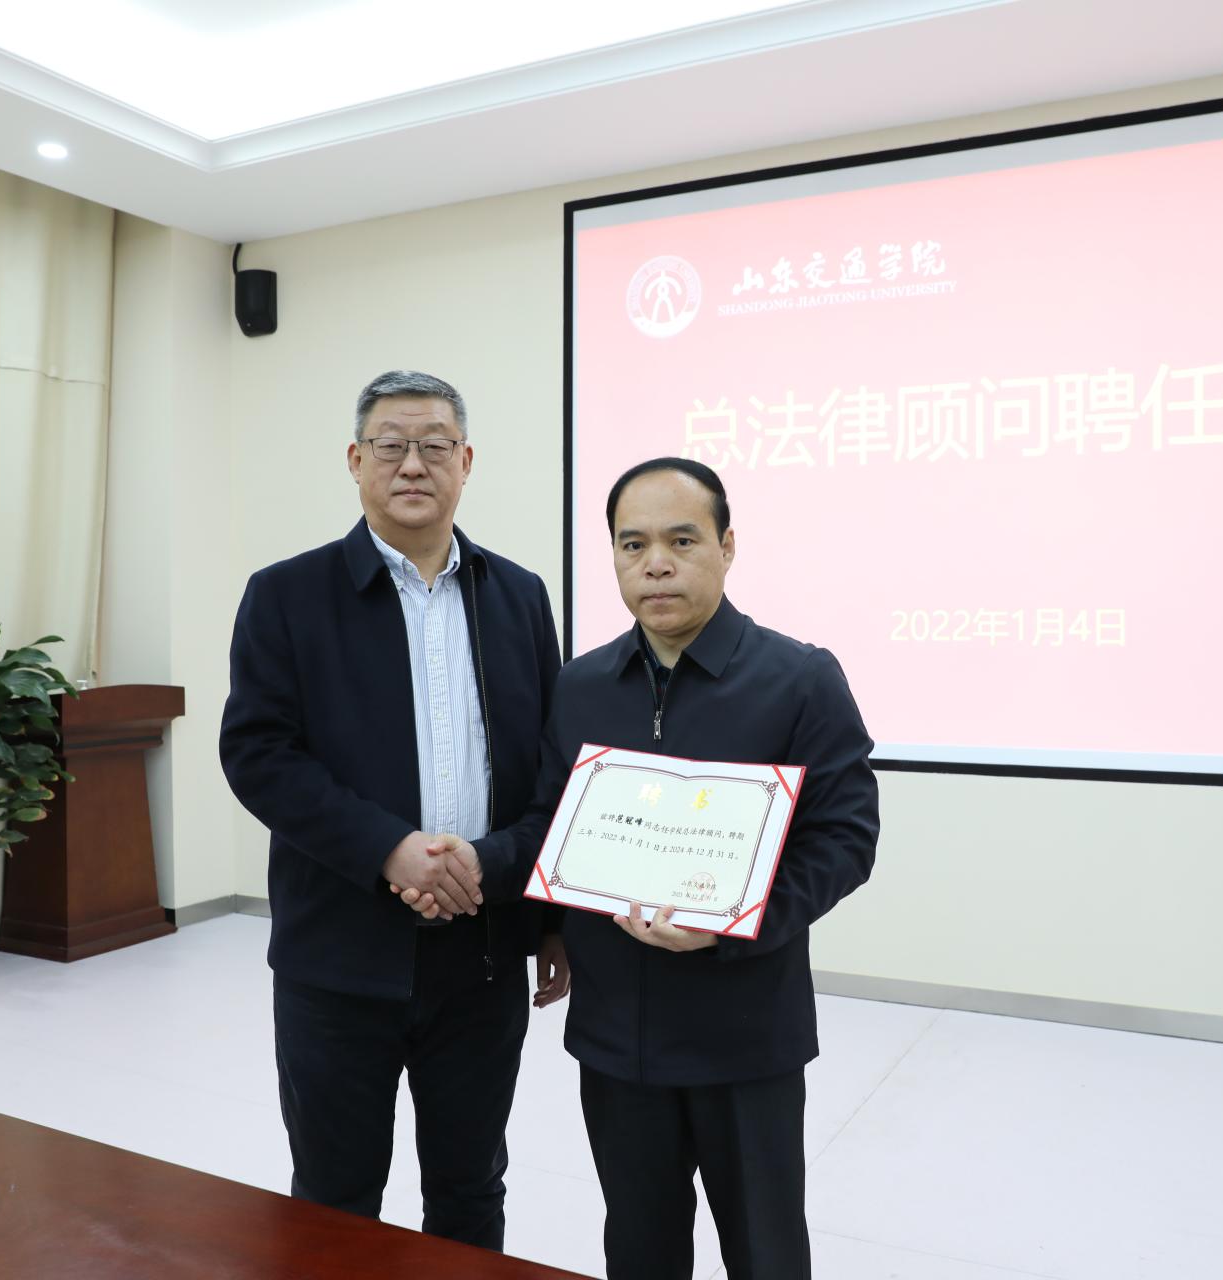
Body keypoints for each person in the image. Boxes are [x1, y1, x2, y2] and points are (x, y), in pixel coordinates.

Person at [402, 457, 879, 1278]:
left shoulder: (800, 680)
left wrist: (733, 924)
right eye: (633, 544)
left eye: (681, 540)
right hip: (617, 1036)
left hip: (745, 1035)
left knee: (765, 1252)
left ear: (728, 547)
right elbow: (552, 822)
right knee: (639, 1247)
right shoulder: (583, 685)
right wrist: (512, 891)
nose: (656, 563)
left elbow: (845, 839)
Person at [219, 370, 569, 1252]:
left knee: (469, 1190)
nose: (414, 464)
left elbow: (550, 772)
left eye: (436, 445)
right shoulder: (286, 595)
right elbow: (258, 755)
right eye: (391, 445)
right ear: (356, 460)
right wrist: (390, 850)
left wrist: (541, 911)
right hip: (339, 957)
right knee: (335, 1200)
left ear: (466, 462)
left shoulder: (519, 596)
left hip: (482, 954)